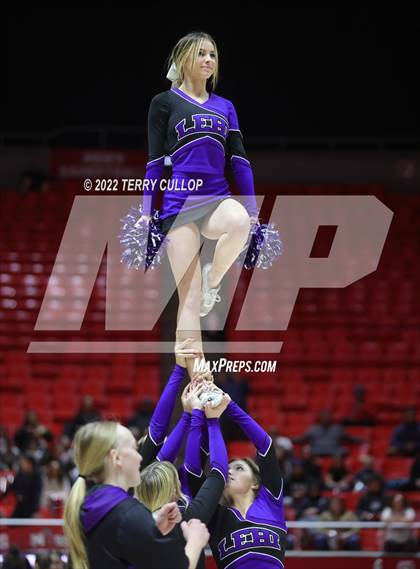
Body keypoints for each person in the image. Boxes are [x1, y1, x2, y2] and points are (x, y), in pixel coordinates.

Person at [139, 31, 259, 378]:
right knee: (188, 297)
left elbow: (240, 161)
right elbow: (153, 161)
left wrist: (252, 210)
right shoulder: (164, 102)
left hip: (216, 198)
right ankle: (199, 378)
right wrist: (148, 213)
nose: (209, 60)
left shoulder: (225, 107)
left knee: (237, 222)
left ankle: (215, 280)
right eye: (202, 54)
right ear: (184, 59)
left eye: (213, 55)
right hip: (178, 206)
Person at [63, 421, 209, 569]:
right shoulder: (128, 514)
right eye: (134, 448)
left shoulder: (90, 501)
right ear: (116, 458)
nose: (140, 457)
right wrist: (195, 541)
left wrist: (154, 531)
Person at [185, 385, 288, 568]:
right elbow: (192, 469)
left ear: (256, 483)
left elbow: (265, 446)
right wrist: (206, 419)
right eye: (228, 468)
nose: (229, 471)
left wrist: (229, 405)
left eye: (239, 468)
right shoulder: (215, 515)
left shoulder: (270, 500)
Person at [138, 389, 230, 569]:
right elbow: (218, 473)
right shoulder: (187, 518)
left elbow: (166, 459)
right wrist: (209, 419)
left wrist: (191, 414)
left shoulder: (137, 518)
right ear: (174, 487)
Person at [292, 410, 363, 457]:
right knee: (305, 451)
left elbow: (349, 438)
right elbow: (303, 438)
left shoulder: (337, 428)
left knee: (344, 450)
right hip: (316, 451)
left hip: (334, 451)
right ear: (320, 418)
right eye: (324, 417)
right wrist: (290, 440)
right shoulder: (313, 429)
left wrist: (359, 440)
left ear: (331, 418)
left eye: (327, 417)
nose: (326, 419)